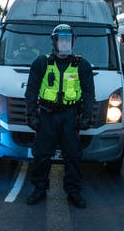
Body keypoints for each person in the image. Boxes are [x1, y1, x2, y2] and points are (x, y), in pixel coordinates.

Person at [24, 24, 95, 208]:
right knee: (41, 155)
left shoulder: (82, 65)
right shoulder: (41, 62)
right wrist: (31, 115)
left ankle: (74, 191)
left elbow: (88, 93)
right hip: (47, 116)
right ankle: (39, 189)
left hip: (70, 117)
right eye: (60, 39)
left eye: (67, 40)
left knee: (72, 155)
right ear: (54, 41)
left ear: (73, 41)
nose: (64, 43)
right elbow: (31, 91)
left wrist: (87, 116)